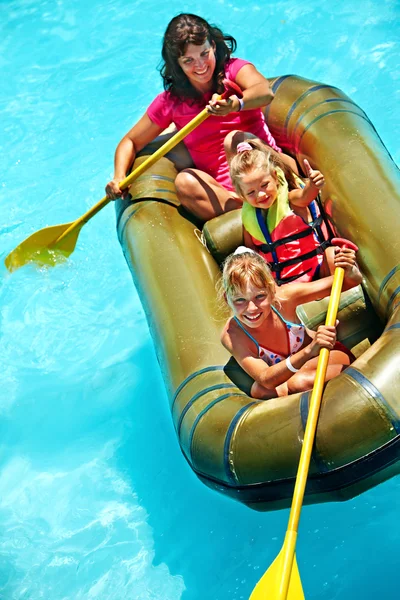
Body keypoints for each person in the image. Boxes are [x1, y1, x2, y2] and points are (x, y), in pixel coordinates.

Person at [105, 13, 298, 221]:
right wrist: (118, 177)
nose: (200, 66)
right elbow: (130, 141)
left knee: (235, 140)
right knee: (184, 182)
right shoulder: (171, 102)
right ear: (177, 63)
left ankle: (265, 201)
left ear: (213, 46)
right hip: (229, 192)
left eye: (204, 54)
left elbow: (264, 92)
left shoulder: (235, 70)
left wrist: (235, 104)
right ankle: (248, 209)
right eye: (188, 60)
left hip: (268, 170)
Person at [220, 247, 362, 399]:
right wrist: (309, 350)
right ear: (226, 300)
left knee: (297, 384)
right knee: (260, 391)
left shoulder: (284, 298)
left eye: (260, 297)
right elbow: (266, 379)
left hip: (327, 356)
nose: (252, 308)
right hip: (298, 367)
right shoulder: (232, 334)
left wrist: (351, 269)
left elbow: (349, 281)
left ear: (272, 291)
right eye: (240, 300)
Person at [229, 138, 334, 285]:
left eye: (265, 185)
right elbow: (252, 254)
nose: (261, 195)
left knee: (333, 256)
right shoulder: (249, 221)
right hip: (285, 284)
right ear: (242, 196)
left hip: (319, 271)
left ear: (275, 178)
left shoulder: (291, 200)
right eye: (251, 192)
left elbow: (305, 196)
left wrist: (314, 184)